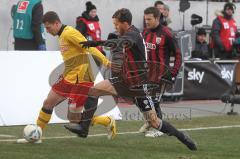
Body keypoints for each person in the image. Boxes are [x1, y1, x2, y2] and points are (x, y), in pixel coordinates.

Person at [65, 8, 197, 151]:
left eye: (116, 24)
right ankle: (84, 129)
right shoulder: (131, 33)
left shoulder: (133, 34)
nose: (115, 27)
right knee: (93, 91)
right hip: (124, 81)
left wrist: (96, 43)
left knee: (154, 122)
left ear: (125, 23)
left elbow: (122, 42)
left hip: (137, 86)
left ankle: (181, 136)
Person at [17, 11, 116, 143]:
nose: (47, 31)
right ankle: (36, 137)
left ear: (56, 23)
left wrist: (106, 62)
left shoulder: (69, 33)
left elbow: (89, 47)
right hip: (68, 77)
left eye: (48, 27)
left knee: (73, 118)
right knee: (48, 103)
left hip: (82, 79)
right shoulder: (61, 35)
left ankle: (107, 121)